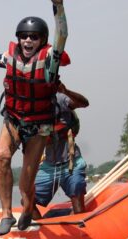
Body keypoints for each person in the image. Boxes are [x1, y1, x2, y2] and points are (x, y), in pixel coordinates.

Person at [0, 0, 69, 235]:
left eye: (34, 36)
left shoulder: (51, 59)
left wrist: (58, 5)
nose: (28, 40)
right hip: (14, 119)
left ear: (42, 39)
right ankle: (6, 214)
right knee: (0, 156)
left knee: (25, 185)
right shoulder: (11, 58)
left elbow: (63, 33)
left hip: (40, 125)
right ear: (18, 38)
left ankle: (28, 209)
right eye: (24, 36)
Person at [33, 83, 89, 218]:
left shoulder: (61, 98)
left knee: (78, 206)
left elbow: (84, 103)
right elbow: (39, 135)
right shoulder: (34, 106)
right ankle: (42, 229)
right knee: (27, 201)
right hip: (49, 166)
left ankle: (81, 232)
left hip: (71, 163)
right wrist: (53, 130)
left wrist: (66, 90)